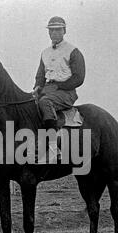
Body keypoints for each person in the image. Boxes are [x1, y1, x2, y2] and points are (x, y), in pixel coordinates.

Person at [33, 16, 86, 163]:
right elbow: (40, 76)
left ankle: (53, 148)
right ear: (48, 33)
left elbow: (79, 77)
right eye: (51, 30)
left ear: (64, 31)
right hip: (48, 89)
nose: (54, 33)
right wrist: (37, 87)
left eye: (58, 30)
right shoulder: (45, 52)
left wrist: (59, 86)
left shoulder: (73, 51)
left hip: (66, 92)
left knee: (45, 103)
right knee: (28, 104)